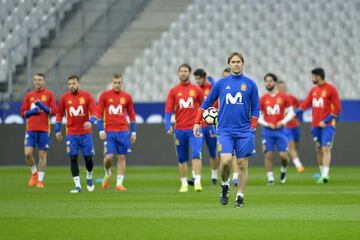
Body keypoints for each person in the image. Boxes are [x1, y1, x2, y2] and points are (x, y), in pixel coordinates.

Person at [194, 52, 260, 208]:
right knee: (225, 162)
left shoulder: (250, 84)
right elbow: (206, 102)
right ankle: (225, 185)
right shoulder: (221, 84)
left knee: (243, 164)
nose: (236, 64)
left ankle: (240, 197)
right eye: (233, 61)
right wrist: (197, 122)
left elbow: (256, 107)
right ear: (229, 64)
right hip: (224, 130)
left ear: (242, 63)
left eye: (238, 61)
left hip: (244, 131)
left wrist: (252, 126)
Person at [296, 68, 341, 183]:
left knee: (326, 148)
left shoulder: (331, 89)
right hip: (315, 126)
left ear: (318, 76)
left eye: (313, 77)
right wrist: (296, 113)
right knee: (319, 149)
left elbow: (337, 109)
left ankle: (325, 175)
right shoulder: (314, 90)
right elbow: (305, 104)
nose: (312, 79)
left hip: (328, 125)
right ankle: (322, 174)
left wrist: (326, 121)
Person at [165, 63, 204, 192]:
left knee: (196, 154)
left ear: (189, 73)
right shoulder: (174, 91)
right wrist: (167, 125)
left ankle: (197, 181)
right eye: (181, 71)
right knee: (182, 158)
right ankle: (184, 183)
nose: (183, 73)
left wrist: (205, 123)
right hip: (180, 129)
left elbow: (204, 107)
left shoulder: (197, 90)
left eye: (185, 71)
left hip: (195, 129)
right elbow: (168, 111)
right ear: (178, 73)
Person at [55, 75, 97, 193]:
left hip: (85, 134)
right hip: (71, 133)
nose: (71, 86)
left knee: (88, 159)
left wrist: (91, 121)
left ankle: (89, 175)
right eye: (69, 84)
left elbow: (94, 111)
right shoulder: (64, 98)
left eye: (73, 83)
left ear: (78, 84)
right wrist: (57, 129)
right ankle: (78, 186)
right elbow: (59, 114)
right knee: (73, 158)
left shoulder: (87, 96)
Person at [97, 74, 137, 191]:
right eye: (115, 82)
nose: (117, 85)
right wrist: (100, 130)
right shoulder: (104, 96)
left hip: (123, 131)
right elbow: (99, 114)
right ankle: (108, 173)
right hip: (109, 131)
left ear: (122, 83)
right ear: (111, 82)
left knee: (121, 157)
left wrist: (133, 132)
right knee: (108, 157)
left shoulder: (127, 97)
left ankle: (119, 184)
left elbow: (132, 115)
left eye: (119, 82)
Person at [20, 73, 57, 188]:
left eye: (39, 80)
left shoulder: (49, 95)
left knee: (42, 157)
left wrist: (43, 107)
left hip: (44, 130)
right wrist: (32, 112)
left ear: (44, 82)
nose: (37, 82)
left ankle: (40, 180)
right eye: (35, 80)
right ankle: (34, 173)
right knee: (27, 154)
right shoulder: (28, 96)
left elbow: (54, 111)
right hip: (30, 130)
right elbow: (23, 113)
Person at [258, 74, 295, 185]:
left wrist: (282, 122)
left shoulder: (284, 97)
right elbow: (257, 115)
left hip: (281, 130)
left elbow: (291, 113)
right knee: (268, 155)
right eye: (266, 81)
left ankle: (283, 169)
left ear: (275, 82)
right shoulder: (263, 99)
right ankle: (270, 179)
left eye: (270, 81)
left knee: (283, 156)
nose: (268, 83)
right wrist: (266, 123)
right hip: (267, 131)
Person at [193, 69, 218, 185]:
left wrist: (210, 77)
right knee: (197, 152)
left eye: (199, 78)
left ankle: (214, 175)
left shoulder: (210, 88)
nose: (197, 81)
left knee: (213, 153)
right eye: (196, 78)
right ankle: (195, 177)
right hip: (199, 125)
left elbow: (218, 87)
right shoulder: (194, 90)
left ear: (204, 78)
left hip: (210, 125)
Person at [278, 80, 305, 172]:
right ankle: (299, 166)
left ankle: (288, 161)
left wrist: (295, 113)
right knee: (291, 146)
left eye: (283, 87)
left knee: (295, 146)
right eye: (280, 87)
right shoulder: (276, 99)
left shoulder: (292, 98)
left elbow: (301, 107)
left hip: (295, 125)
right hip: (285, 126)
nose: (282, 88)